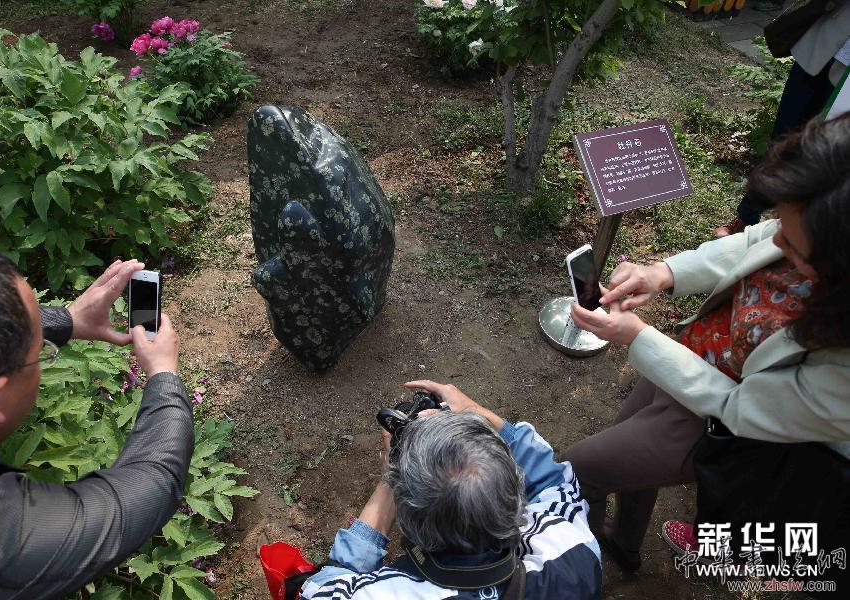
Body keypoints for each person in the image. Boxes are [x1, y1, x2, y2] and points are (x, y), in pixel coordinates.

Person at [565, 114, 850, 571]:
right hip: (683, 357)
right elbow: (756, 241)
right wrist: (663, 273)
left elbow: (740, 407)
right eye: (780, 219)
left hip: (715, 423)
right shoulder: (816, 228)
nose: (777, 238)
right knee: (624, 454)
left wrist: (638, 337)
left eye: (795, 248)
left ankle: (580, 570)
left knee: (579, 470)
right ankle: (624, 544)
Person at [0, 240, 193, 599]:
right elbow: (149, 486)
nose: (45, 354)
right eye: (40, 353)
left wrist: (65, 320)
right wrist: (163, 376)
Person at [300, 380, 602, 600]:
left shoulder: (389, 594)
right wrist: (474, 410)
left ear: (411, 524)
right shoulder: (576, 558)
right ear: (514, 492)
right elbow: (554, 483)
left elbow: (321, 588)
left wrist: (391, 480)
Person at [714, 0, 850, 237]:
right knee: (783, 138)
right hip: (820, 50)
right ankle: (747, 216)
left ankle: (796, 232)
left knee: (826, 155)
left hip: (846, 82)